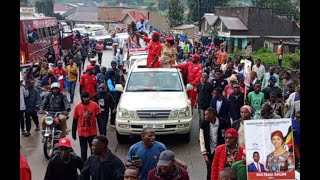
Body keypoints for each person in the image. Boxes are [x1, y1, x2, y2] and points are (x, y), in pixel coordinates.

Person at [72, 91, 101, 163]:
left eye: (87, 97)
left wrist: (102, 131)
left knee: (94, 151)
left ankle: (94, 164)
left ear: (90, 97)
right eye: (84, 98)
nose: (86, 99)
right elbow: (75, 120)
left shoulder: (95, 105)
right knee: (83, 151)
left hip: (92, 132)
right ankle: (84, 167)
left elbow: (99, 120)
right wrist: (73, 132)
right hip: (82, 133)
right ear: (82, 98)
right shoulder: (78, 107)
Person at [200, 107, 228, 180]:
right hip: (210, 152)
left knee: (222, 170)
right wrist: (204, 154)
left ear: (212, 115)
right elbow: (202, 140)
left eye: (207, 115)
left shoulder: (223, 123)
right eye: (205, 115)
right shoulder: (204, 124)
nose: (205, 116)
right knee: (210, 171)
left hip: (221, 152)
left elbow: (228, 137)